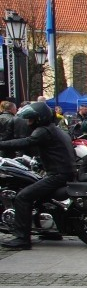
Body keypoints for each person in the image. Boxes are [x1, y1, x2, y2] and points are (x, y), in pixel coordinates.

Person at [0, 102, 76, 250]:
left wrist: (1, 144)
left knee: (23, 197)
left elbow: (26, 142)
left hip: (57, 175)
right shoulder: (55, 129)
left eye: (31, 119)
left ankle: (22, 239)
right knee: (40, 197)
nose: (28, 123)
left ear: (39, 118)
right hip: (64, 172)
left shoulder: (43, 131)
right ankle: (50, 231)